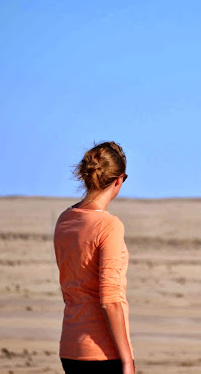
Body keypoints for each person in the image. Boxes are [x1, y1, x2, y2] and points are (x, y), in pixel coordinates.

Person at [53, 141, 135, 374]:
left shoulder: (65, 219)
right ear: (118, 180)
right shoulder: (109, 225)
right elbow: (109, 299)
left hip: (70, 348)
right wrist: (127, 360)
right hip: (103, 352)